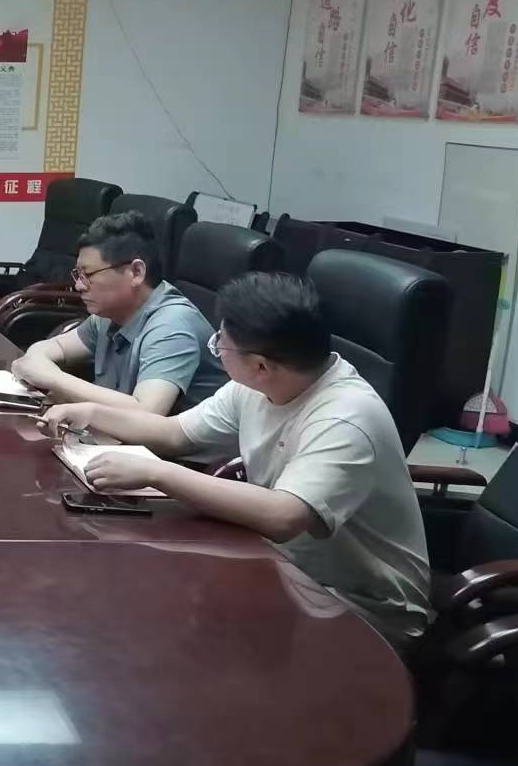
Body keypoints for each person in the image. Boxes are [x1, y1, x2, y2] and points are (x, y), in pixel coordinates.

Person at [40, 272, 432, 646]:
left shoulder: (345, 417)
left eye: (220, 346)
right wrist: (92, 412)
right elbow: (176, 433)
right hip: (287, 569)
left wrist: (157, 473)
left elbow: (283, 516)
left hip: (363, 606)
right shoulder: (261, 384)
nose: (215, 349)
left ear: (260, 365)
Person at [10, 209, 225, 413]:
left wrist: (52, 378)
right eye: (78, 275)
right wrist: (37, 361)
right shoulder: (110, 313)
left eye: (88, 275)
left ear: (136, 272)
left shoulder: (172, 326)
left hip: (163, 441)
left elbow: (146, 412)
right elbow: (53, 347)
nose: (79, 285)